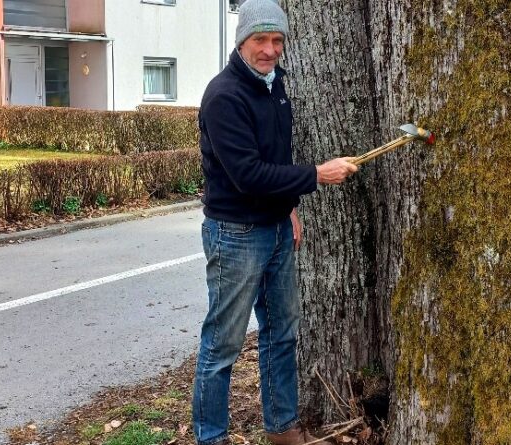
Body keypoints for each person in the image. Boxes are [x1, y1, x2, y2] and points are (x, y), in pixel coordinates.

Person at [192, 0, 358, 444]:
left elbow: (276, 158)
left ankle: (282, 430)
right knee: (222, 346)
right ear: (241, 41)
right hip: (236, 234)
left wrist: (289, 207)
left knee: (282, 335)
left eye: (277, 40)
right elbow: (247, 174)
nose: (269, 50)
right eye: (260, 40)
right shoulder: (224, 96)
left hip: (278, 228)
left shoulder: (274, 85)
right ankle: (211, 437)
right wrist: (316, 175)